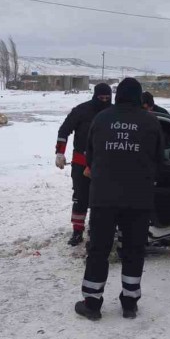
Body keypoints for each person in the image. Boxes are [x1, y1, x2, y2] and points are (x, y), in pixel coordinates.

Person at [75, 77, 163, 320]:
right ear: (138, 96)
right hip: (138, 199)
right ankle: (130, 303)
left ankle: (92, 303)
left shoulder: (101, 119)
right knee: (134, 250)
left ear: (117, 95)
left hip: (103, 198)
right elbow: (160, 159)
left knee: (99, 250)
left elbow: (90, 157)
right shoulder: (151, 121)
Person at [55, 82, 112, 245]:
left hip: (105, 164)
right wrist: (60, 152)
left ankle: (96, 229)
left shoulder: (113, 112)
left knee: (101, 199)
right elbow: (64, 130)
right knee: (80, 197)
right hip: (81, 162)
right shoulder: (81, 110)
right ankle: (77, 231)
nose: (104, 100)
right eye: (101, 97)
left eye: (107, 98)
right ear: (95, 96)